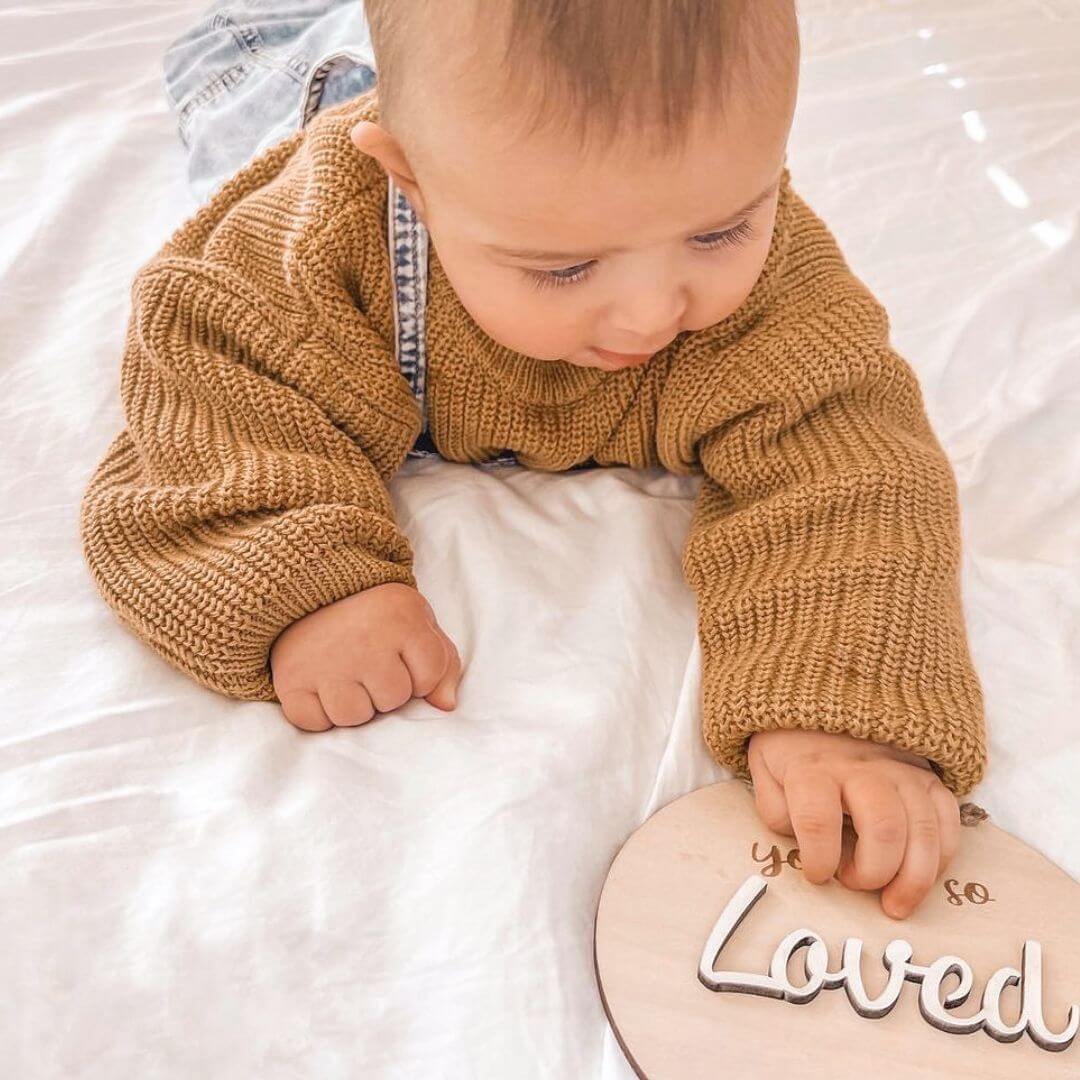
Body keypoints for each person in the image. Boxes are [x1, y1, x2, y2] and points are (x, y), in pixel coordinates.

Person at [79, 0, 988, 920]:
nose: (649, 313)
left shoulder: (772, 284)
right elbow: (210, 388)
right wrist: (308, 582)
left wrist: (837, 699)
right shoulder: (321, 242)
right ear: (416, 188)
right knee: (278, 81)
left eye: (718, 233)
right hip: (289, 88)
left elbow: (847, 462)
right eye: (562, 270)